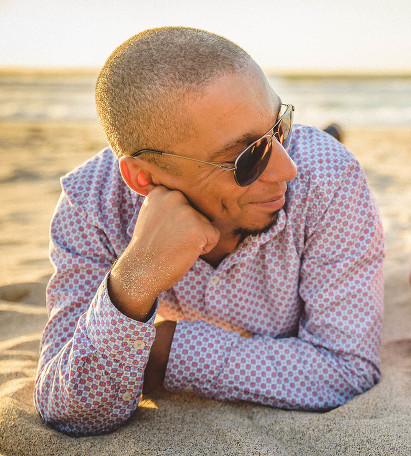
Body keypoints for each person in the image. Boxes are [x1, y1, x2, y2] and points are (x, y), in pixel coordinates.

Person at [34, 27, 385, 436]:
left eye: (282, 124)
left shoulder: (328, 177)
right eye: (246, 158)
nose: (287, 169)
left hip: (323, 156)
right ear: (144, 178)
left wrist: (166, 348)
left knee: (317, 145)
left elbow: (348, 367)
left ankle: (321, 132)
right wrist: (134, 277)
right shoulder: (91, 204)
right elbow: (68, 408)